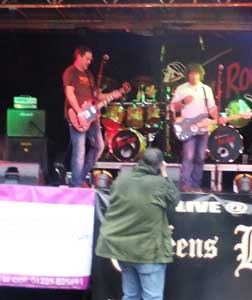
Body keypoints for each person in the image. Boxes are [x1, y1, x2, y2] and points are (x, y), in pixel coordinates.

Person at [96, 148, 180, 300]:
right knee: (152, 297)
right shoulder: (159, 183)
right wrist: (165, 173)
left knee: (130, 296)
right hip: (149, 252)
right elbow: (174, 200)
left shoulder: (121, 180)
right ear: (159, 165)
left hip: (124, 251)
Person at [63, 46, 123, 187]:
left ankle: (81, 177)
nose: (89, 62)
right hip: (77, 116)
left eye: (91, 59)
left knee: (99, 146)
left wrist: (113, 94)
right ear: (79, 56)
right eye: (87, 58)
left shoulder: (89, 75)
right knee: (80, 150)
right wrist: (79, 112)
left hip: (92, 116)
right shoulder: (71, 72)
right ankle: (76, 185)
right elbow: (69, 93)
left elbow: (96, 96)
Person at [171, 63, 219, 192]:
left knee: (200, 157)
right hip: (188, 128)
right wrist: (183, 102)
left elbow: (212, 107)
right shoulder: (181, 88)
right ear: (187, 75)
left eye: (196, 73)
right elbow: (172, 107)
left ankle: (196, 185)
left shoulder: (206, 89)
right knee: (188, 156)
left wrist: (217, 118)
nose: (193, 76)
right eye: (191, 73)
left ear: (200, 75)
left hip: (202, 128)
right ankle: (185, 185)